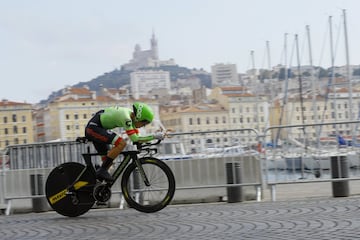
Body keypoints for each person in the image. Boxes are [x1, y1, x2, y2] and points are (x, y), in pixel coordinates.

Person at [85, 102, 165, 182]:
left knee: (108, 163)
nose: (142, 126)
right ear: (138, 118)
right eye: (143, 124)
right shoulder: (126, 118)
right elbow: (135, 139)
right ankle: (101, 170)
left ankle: (97, 183)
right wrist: (154, 136)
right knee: (121, 143)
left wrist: (147, 141)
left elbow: (137, 136)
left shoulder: (130, 116)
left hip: (98, 127)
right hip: (93, 128)